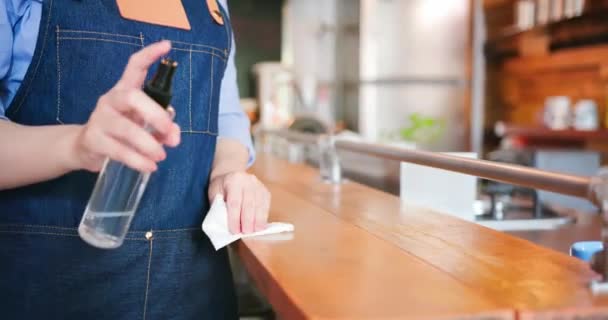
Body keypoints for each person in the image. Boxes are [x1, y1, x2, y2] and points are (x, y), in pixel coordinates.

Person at [0, 0, 270, 319]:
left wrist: (227, 173)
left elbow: (225, 117)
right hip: (45, 290)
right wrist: (76, 144)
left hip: (192, 289)